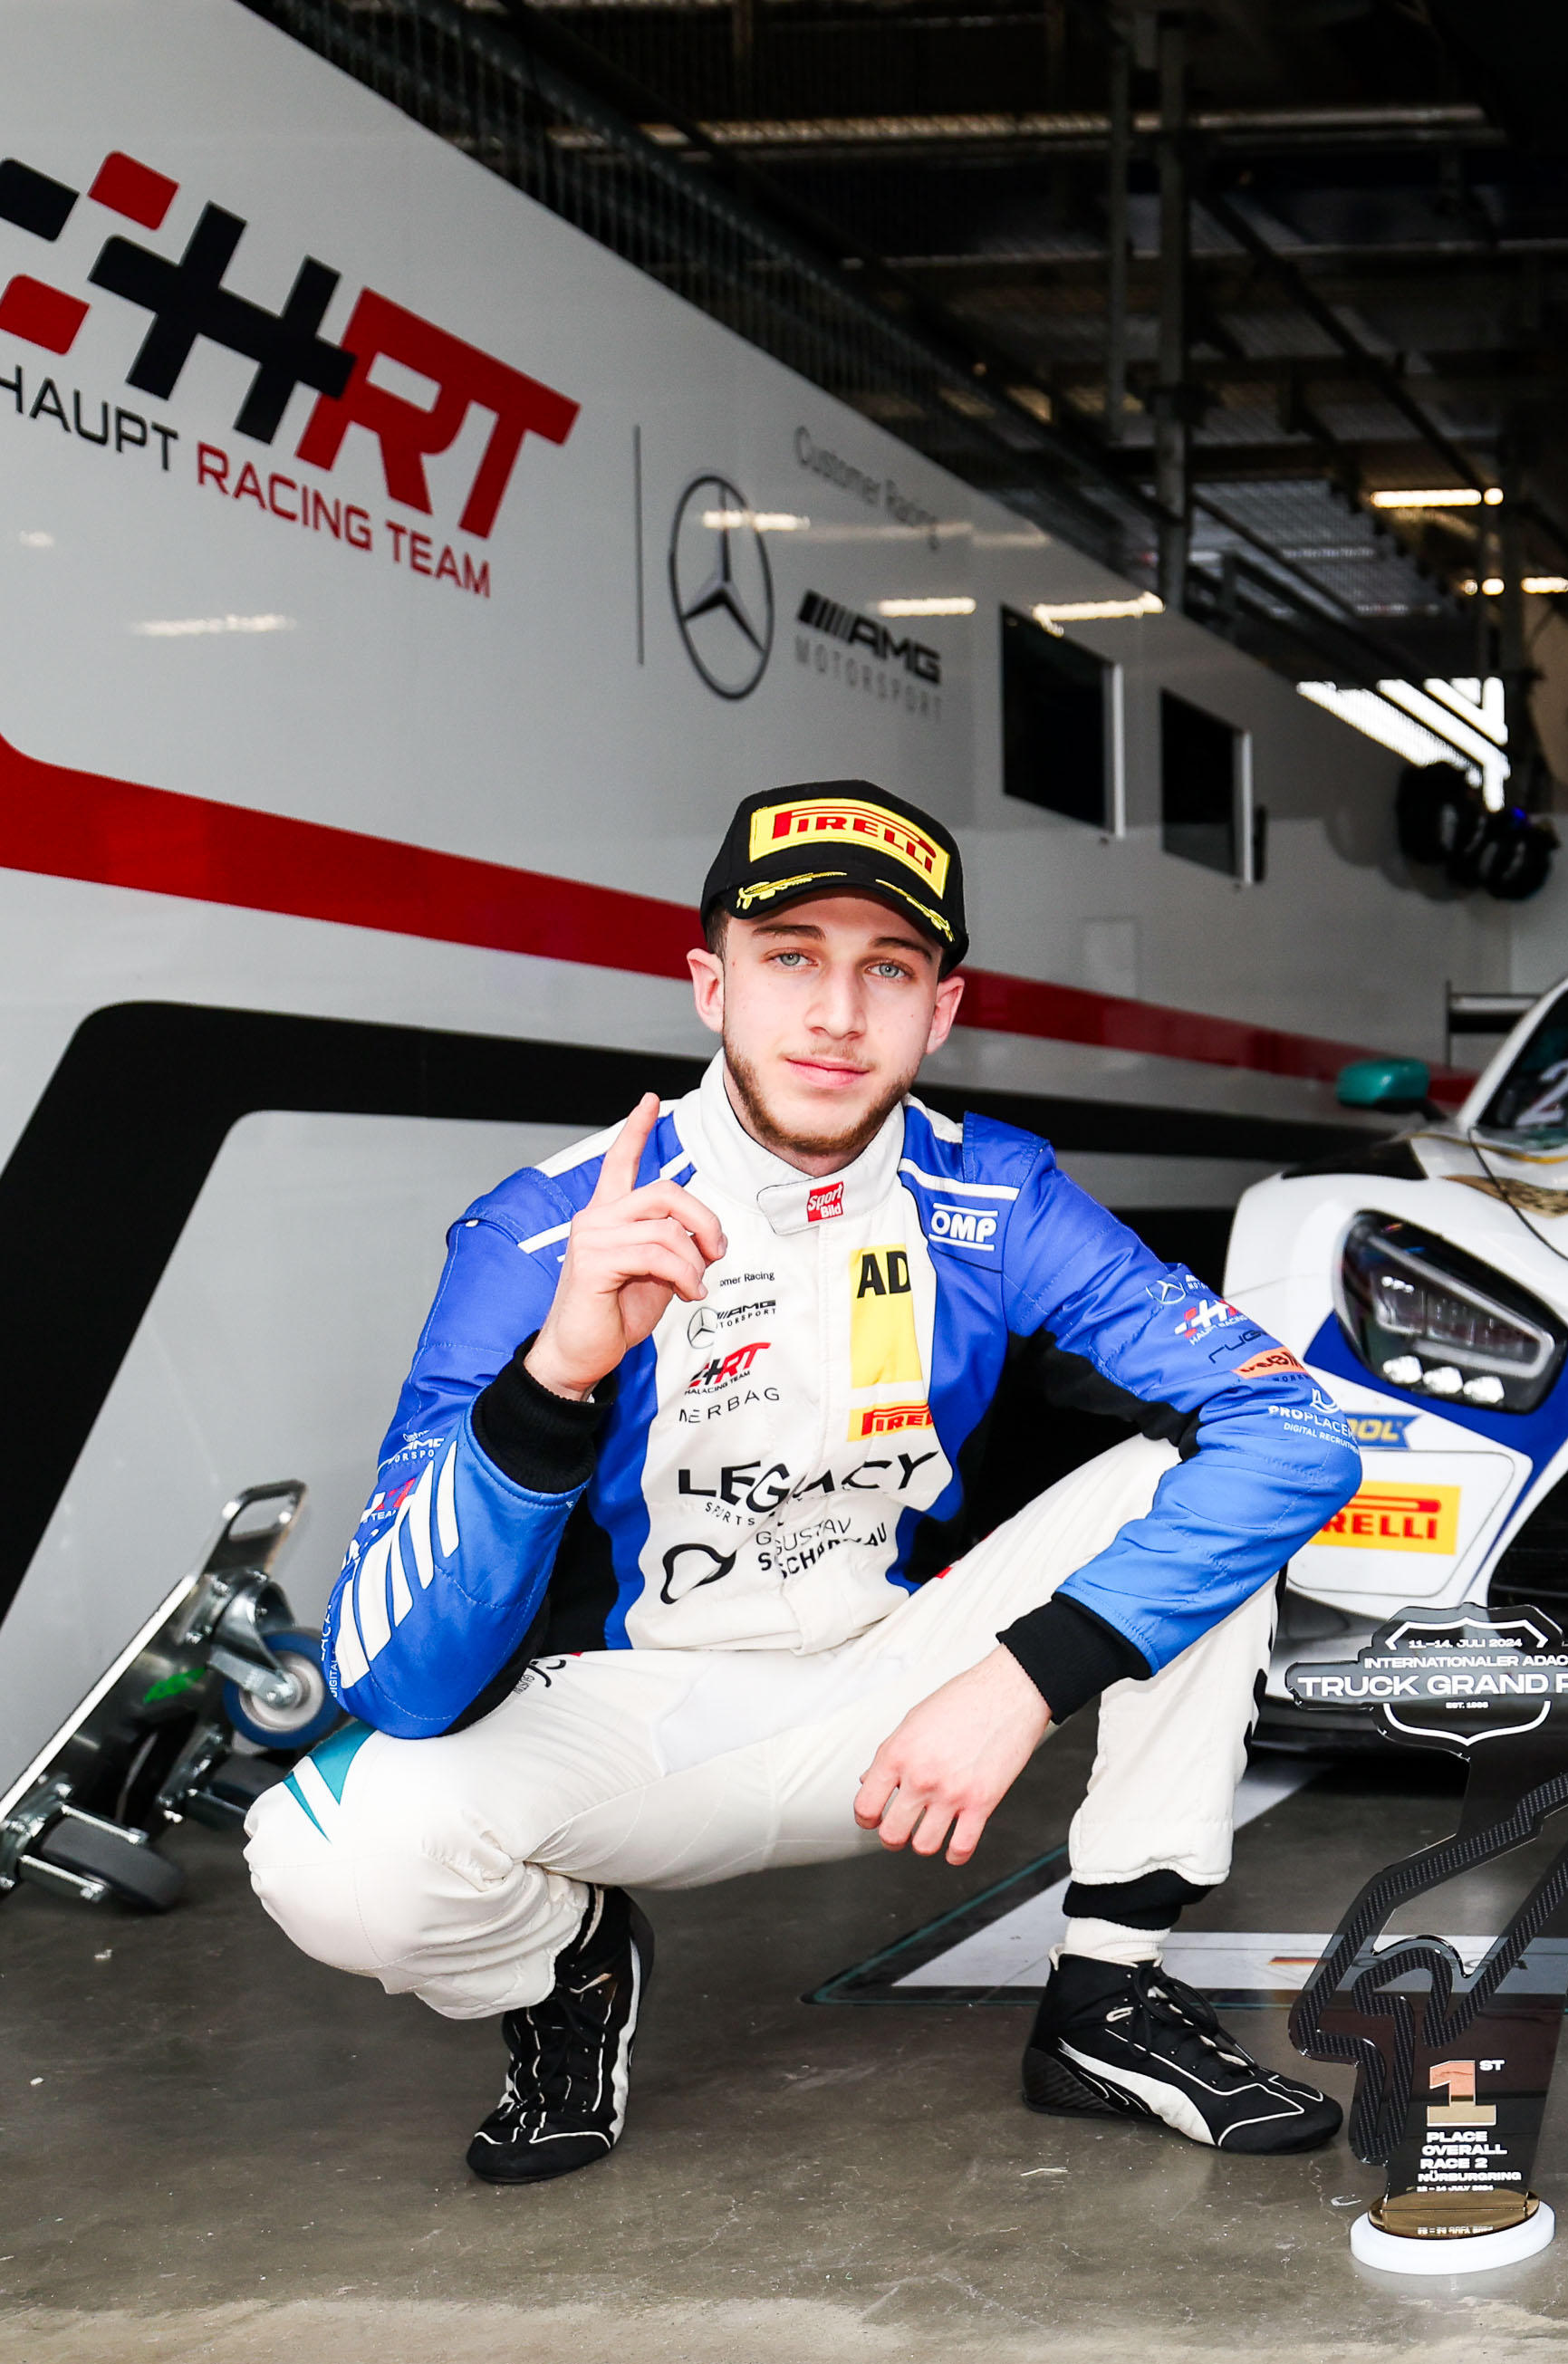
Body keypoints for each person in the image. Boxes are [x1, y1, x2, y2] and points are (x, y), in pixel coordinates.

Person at [245, 782, 1371, 2184]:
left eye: (886, 969)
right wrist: (554, 1378)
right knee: (333, 1858)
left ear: (940, 1011)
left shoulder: (996, 1194)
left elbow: (1294, 1429)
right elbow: (393, 1679)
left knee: (1205, 1484)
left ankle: (1107, 1999)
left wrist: (1021, 1679)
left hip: (907, 1685)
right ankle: (572, 1967)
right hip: (637, 1722)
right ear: (710, 983)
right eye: (790, 957)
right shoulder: (544, 1227)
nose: (837, 1013)